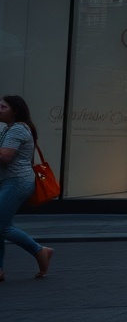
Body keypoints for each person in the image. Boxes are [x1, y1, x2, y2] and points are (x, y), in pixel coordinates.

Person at [0, 95, 54, 281]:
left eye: (3, 107)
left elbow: (5, 156)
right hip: (10, 181)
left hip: (17, 182)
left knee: (2, 226)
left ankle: (40, 251)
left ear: (14, 110)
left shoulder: (17, 129)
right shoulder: (10, 128)